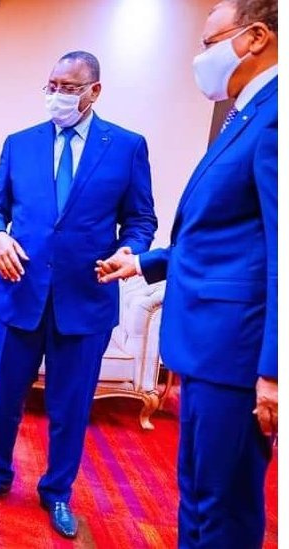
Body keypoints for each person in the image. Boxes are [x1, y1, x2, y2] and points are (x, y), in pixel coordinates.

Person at [96, 1, 277, 546]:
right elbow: (225, 236)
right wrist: (144, 261)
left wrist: (274, 370)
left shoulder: (276, 117)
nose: (200, 58)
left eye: (209, 42)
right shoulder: (244, 113)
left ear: (256, 37)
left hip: (237, 356)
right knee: (197, 494)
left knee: (223, 506)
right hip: (207, 349)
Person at [0, 51, 157, 538]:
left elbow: (141, 220)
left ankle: (57, 492)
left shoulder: (127, 146)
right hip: (19, 294)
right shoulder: (19, 144)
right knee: (4, 398)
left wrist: (130, 250)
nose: (57, 94)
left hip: (86, 299)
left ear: (94, 91)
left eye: (69, 86)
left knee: (70, 407)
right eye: (51, 84)